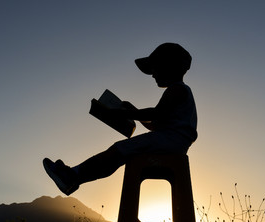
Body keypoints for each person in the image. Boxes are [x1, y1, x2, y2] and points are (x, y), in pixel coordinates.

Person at [43, 42, 197, 196]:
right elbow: (156, 124)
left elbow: (155, 114)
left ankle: (72, 176)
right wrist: (134, 112)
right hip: (170, 141)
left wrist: (123, 114)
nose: (153, 75)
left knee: (119, 150)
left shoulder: (178, 89)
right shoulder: (179, 92)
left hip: (170, 140)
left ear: (169, 66)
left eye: (155, 69)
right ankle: (74, 176)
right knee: (120, 152)